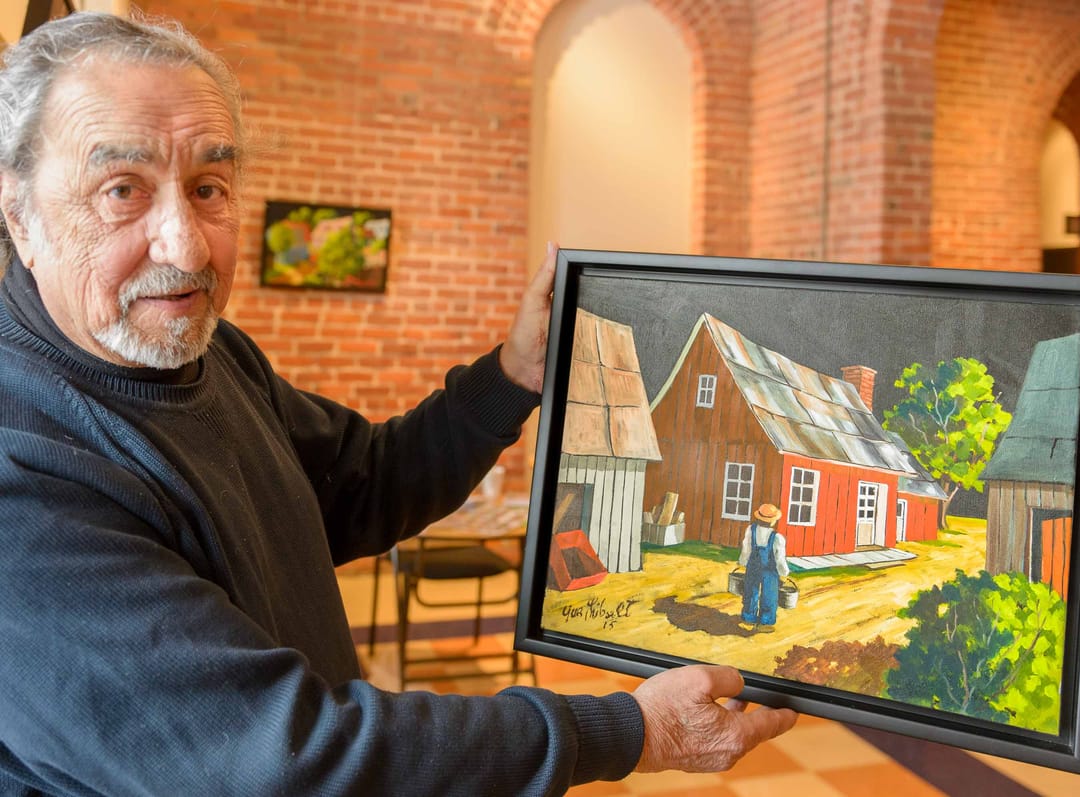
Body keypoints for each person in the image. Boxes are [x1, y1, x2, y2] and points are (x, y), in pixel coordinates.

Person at [0, 12, 796, 796]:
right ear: (19, 216)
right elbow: (285, 757)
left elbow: (363, 482)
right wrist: (630, 729)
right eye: (121, 189)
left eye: (209, 186)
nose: (188, 243)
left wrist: (516, 370)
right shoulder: (21, 471)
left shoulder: (214, 355)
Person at [738, 503, 789, 633]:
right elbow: (779, 559)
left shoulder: (751, 530)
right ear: (773, 521)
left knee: (750, 591)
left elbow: (746, 549)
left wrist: (743, 562)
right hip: (769, 570)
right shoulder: (777, 537)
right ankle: (765, 621)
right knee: (770, 594)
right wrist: (784, 572)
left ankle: (749, 617)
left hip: (753, 567)